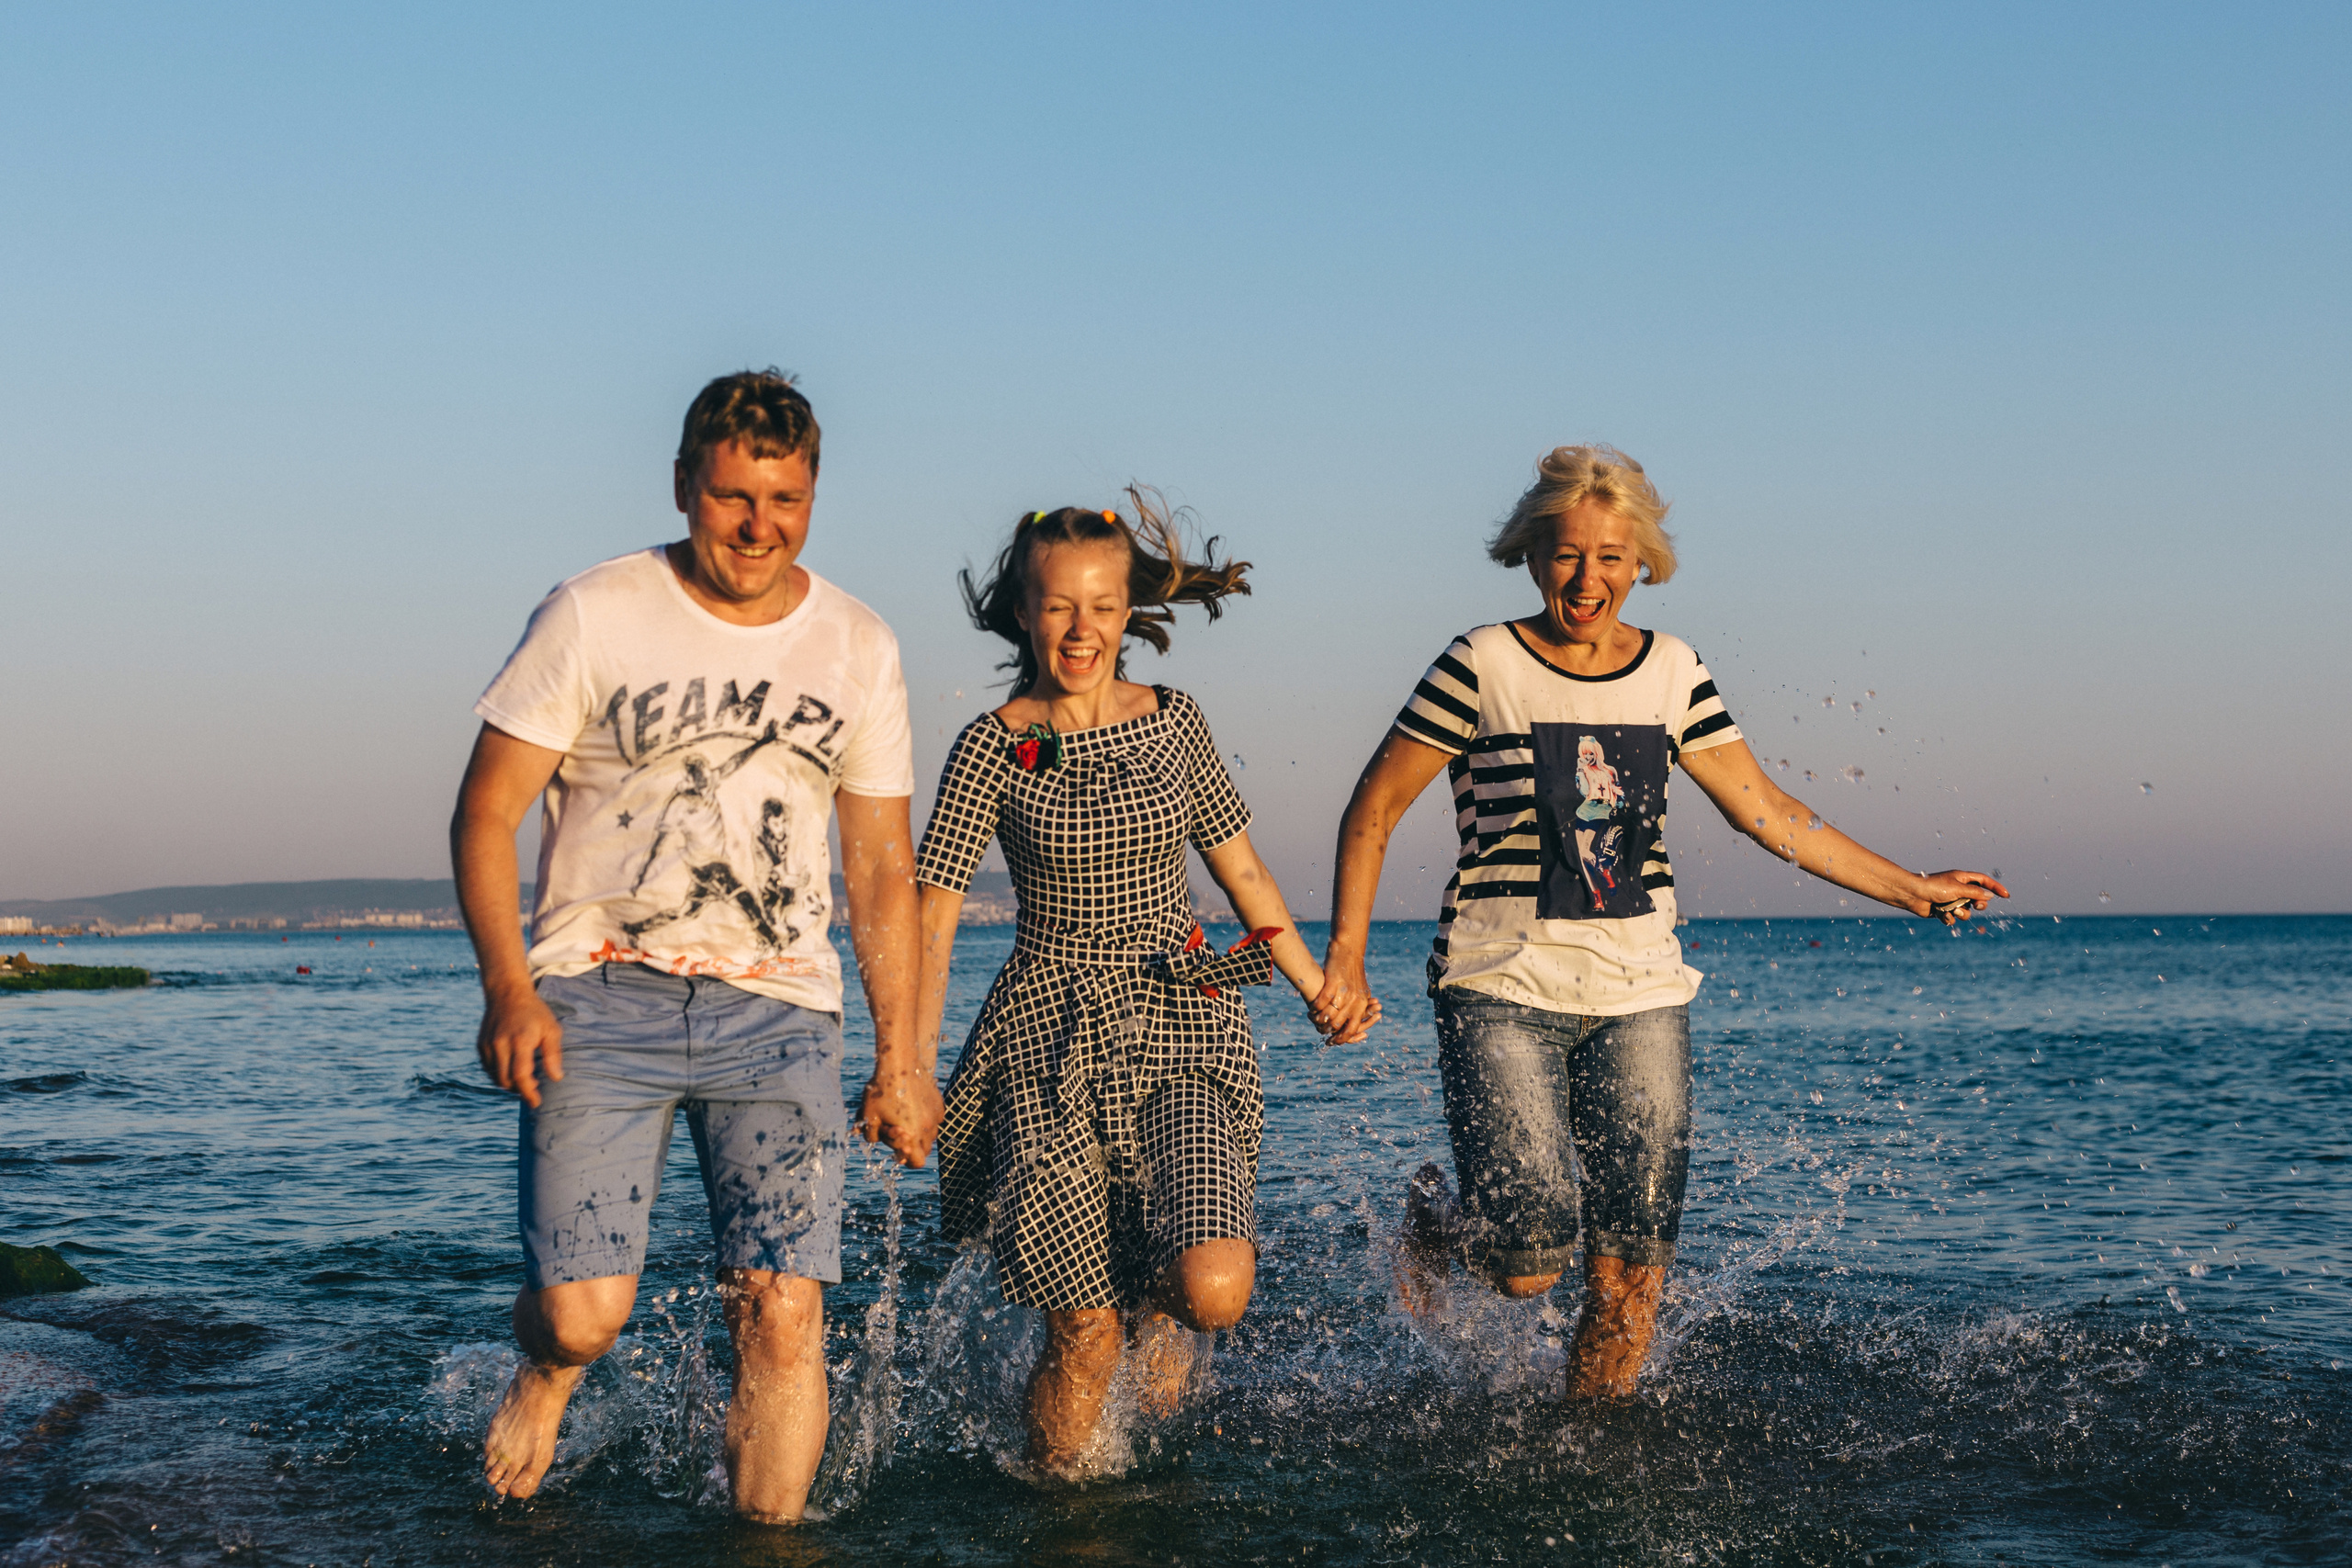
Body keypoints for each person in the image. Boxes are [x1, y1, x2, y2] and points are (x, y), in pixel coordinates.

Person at [1310, 445, 2005, 1398]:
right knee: (1525, 1263)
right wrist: (1346, 959)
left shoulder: (1674, 671)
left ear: (1641, 562)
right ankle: (1436, 1221)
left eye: (1609, 555)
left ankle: (1590, 1459)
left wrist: (1909, 888)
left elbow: (1767, 812)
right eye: (1565, 553)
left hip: (1641, 991)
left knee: (1631, 1273)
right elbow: (1373, 808)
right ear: (1531, 555)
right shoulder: (1481, 663)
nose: (1587, 576)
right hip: (1499, 984)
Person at [450, 369, 943, 1521]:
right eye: (731, 497)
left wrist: (903, 1057)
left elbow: (880, 870)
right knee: (587, 1314)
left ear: (813, 493)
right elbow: (485, 811)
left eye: (784, 499)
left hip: (779, 1012)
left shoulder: (859, 644)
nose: (757, 526)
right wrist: (506, 989)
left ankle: (765, 1544)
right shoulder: (594, 612)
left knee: (780, 1308)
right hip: (599, 996)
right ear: (683, 487)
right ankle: (550, 1368)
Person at [912, 494, 1378, 1477]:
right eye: (1057, 606)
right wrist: (907, 1065)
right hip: (1046, 1040)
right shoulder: (992, 746)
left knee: (1210, 1290)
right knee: (1081, 1332)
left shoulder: (1175, 721)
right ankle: (1063, 1518)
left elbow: (1240, 872)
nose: (1081, 629)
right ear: (1021, 609)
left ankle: (1159, 1299)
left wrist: (1315, 983)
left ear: (1129, 611)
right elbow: (934, 911)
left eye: (1102, 606)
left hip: (1181, 1018)